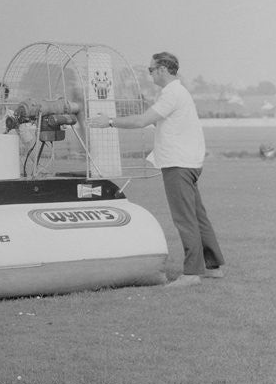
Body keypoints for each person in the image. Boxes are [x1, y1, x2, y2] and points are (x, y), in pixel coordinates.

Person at [89, 51, 224, 287]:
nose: (150, 73)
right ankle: (212, 267)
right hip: (189, 163)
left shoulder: (172, 94)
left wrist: (108, 121)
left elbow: (142, 121)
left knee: (185, 219)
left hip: (178, 164)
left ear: (162, 69)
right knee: (198, 216)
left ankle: (192, 274)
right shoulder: (177, 93)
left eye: (151, 70)